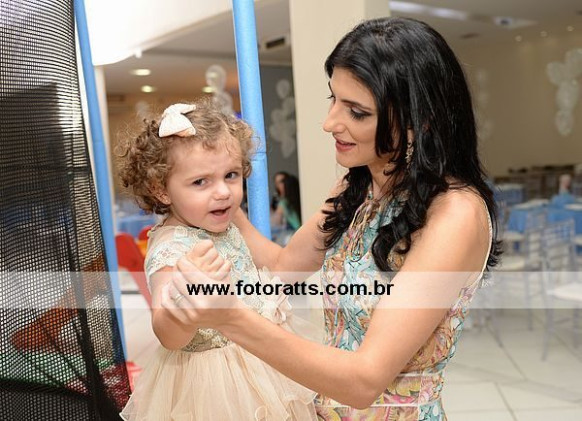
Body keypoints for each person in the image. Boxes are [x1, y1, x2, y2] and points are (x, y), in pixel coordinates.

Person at [171, 17, 501, 420]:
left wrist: (230, 318)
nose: (329, 123)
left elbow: (364, 380)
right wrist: (217, 194)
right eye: (334, 99)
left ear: (419, 121)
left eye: (357, 112)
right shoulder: (356, 188)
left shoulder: (455, 214)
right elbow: (282, 267)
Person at [117, 100, 318, 420]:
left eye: (231, 175)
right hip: (216, 385)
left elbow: (278, 265)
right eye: (201, 181)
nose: (223, 191)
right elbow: (167, 335)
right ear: (161, 189)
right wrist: (184, 300)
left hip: (262, 359)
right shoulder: (171, 248)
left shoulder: (228, 219)